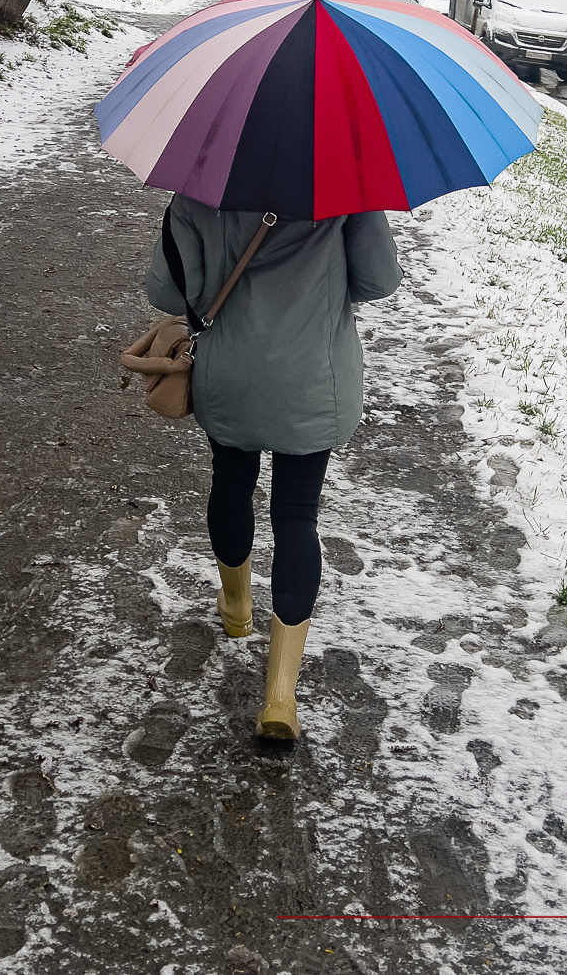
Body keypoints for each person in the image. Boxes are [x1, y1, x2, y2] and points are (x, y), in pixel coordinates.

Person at [145, 195, 402, 740]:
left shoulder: (199, 189)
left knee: (231, 486)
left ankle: (236, 606)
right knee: (296, 518)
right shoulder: (346, 190)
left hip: (229, 374)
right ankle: (280, 696)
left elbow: (165, 293)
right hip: (313, 380)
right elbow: (379, 281)